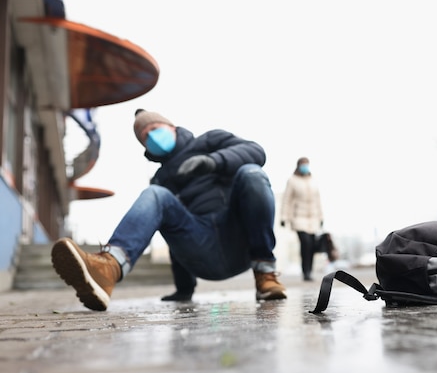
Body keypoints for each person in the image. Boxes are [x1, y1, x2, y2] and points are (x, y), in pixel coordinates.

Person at [51, 109, 287, 311]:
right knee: (155, 195)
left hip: (240, 240)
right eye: (145, 137)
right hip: (202, 252)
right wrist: (184, 289)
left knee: (252, 173)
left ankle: (266, 274)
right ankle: (108, 269)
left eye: (155, 128)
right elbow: (175, 237)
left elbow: (257, 152)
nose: (152, 136)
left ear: (171, 126)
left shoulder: (210, 141)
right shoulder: (160, 181)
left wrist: (214, 161)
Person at [280, 157, 337, 281]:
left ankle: (309, 271)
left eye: (307, 164)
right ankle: (305, 271)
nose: (305, 167)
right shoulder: (292, 180)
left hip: (313, 219)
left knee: (311, 246)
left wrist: (321, 217)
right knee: (305, 243)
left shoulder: (313, 180)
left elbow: (318, 201)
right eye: (303, 165)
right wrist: (284, 217)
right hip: (299, 218)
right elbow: (287, 200)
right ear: (298, 166)